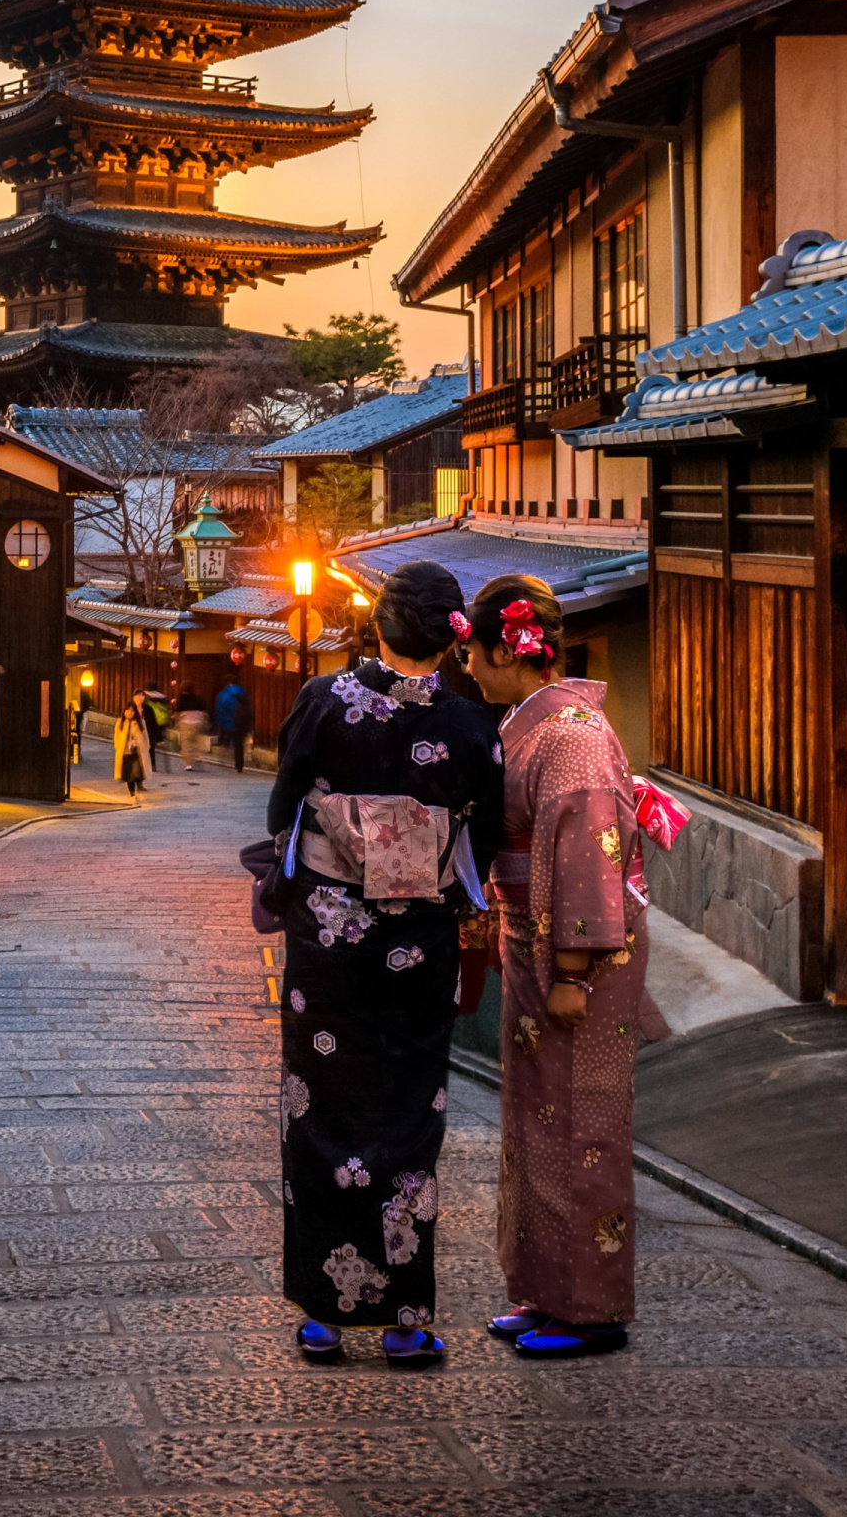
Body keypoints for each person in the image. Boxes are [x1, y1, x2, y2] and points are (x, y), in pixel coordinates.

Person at [263, 560, 501, 1367]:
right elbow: (485, 838)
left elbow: (284, 804)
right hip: (418, 946)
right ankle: (406, 1319)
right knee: (407, 1115)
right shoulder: (472, 728)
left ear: (378, 624)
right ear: (450, 636)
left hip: (329, 940)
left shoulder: (322, 701)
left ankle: (324, 1316)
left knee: (319, 1106)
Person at [463, 576, 671, 1358]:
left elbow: (588, 859)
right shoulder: (532, 724)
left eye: (473, 656)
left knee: (581, 1122)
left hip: (576, 953)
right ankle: (544, 1288)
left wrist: (573, 972)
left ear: (504, 651)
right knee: (536, 1115)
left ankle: (589, 1308)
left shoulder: (571, 737)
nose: (469, 672)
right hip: (534, 940)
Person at [213, 674, 252, 773]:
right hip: (242, 722)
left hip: (229, 723)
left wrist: (220, 724)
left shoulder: (224, 694)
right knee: (239, 744)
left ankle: (223, 757)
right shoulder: (244, 692)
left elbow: (220, 710)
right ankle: (239, 765)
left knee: (229, 741)